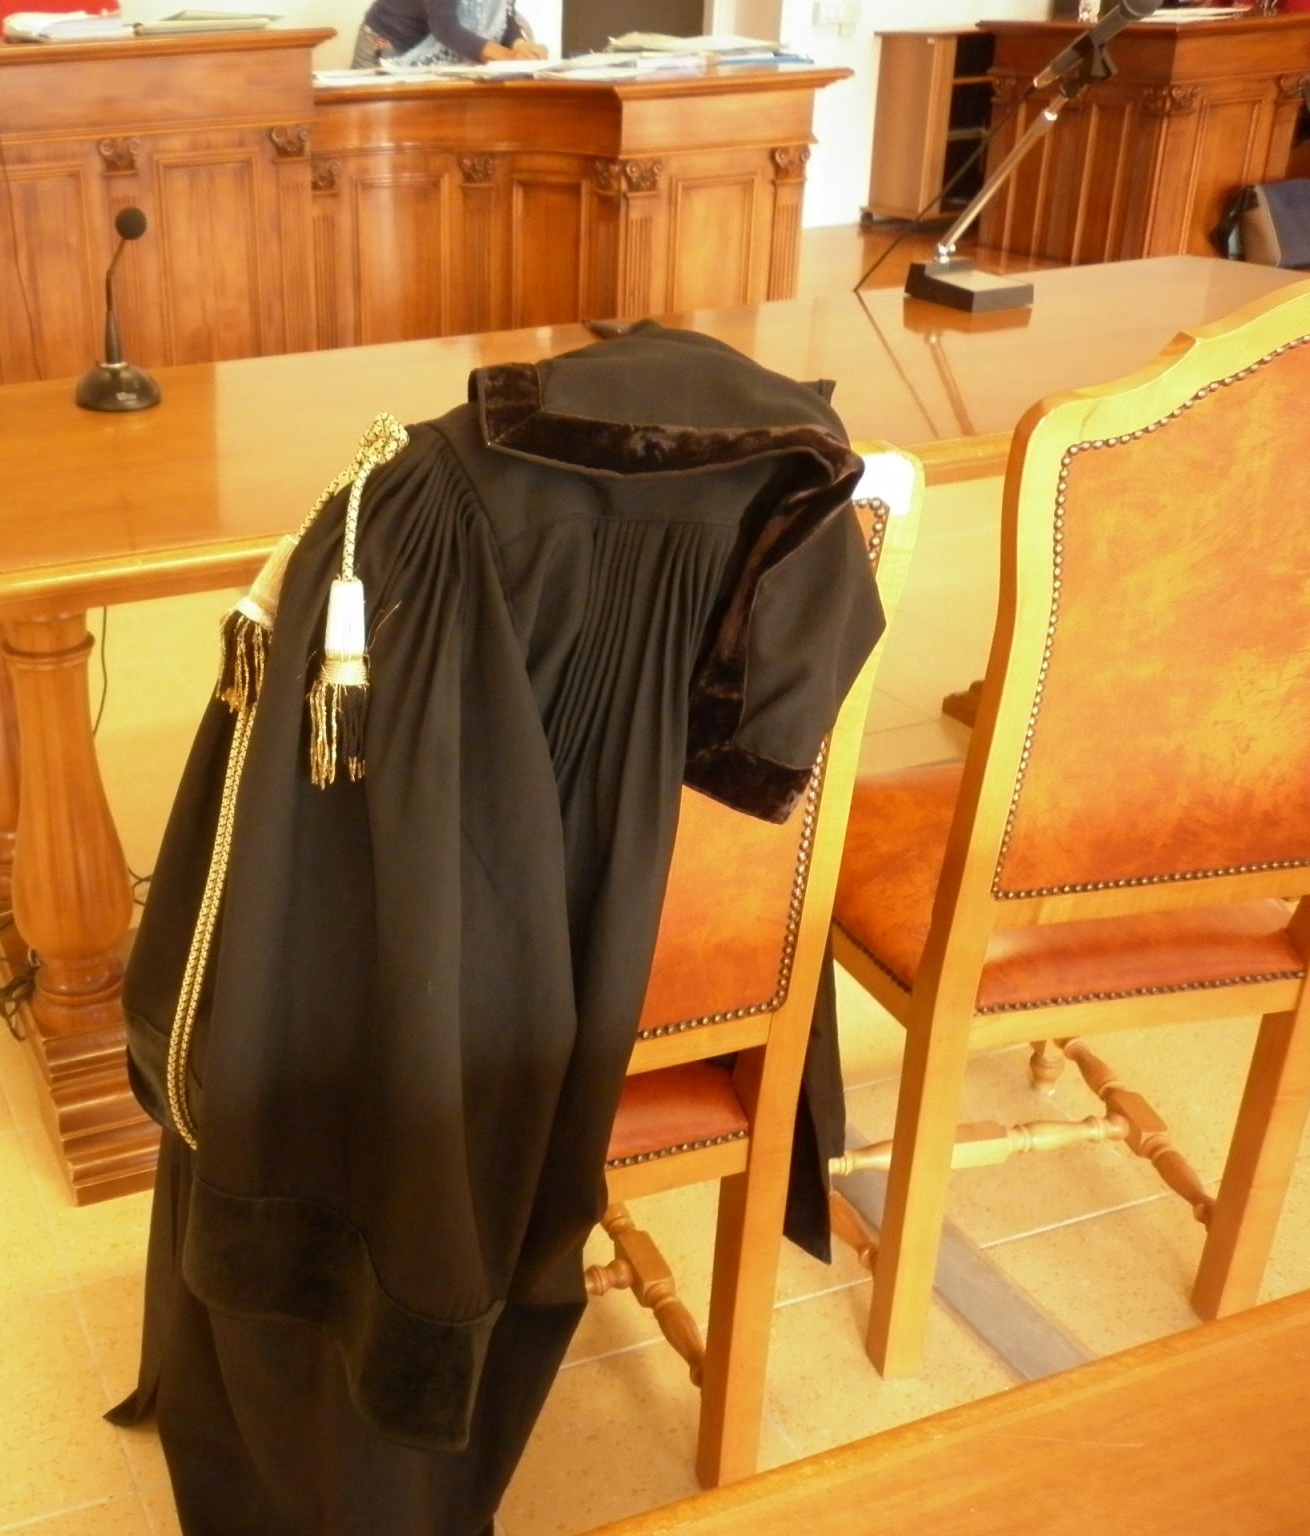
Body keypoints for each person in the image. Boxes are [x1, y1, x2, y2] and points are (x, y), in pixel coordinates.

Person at [110, 324, 886, 1536]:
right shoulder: (805, 488)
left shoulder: (414, 506)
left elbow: (298, 853)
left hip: (472, 1013)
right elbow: (762, 760)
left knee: (305, 1005)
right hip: (668, 963)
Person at [351, 0, 548, 68]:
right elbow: (445, 27)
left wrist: (520, 46)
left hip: (439, 48)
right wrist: (508, 56)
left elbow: (504, 14)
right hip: (391, 44)